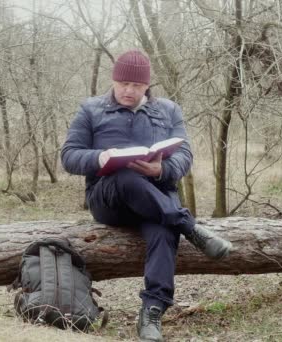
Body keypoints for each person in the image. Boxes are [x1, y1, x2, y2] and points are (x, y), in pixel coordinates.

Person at [60, 50, 232, 341]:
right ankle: (189, 227)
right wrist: (99, 158)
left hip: (156, 197)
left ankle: (152, 311)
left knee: (164, 231)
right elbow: (69, 156)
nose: (128, 90)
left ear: (147, 86)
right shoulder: (91, 109)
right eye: (123, 83)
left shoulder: (169, 110)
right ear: (114, 80)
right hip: (108, 198)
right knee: (127, 176)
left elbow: (185, 155)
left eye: (136, 86)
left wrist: (160, 170)